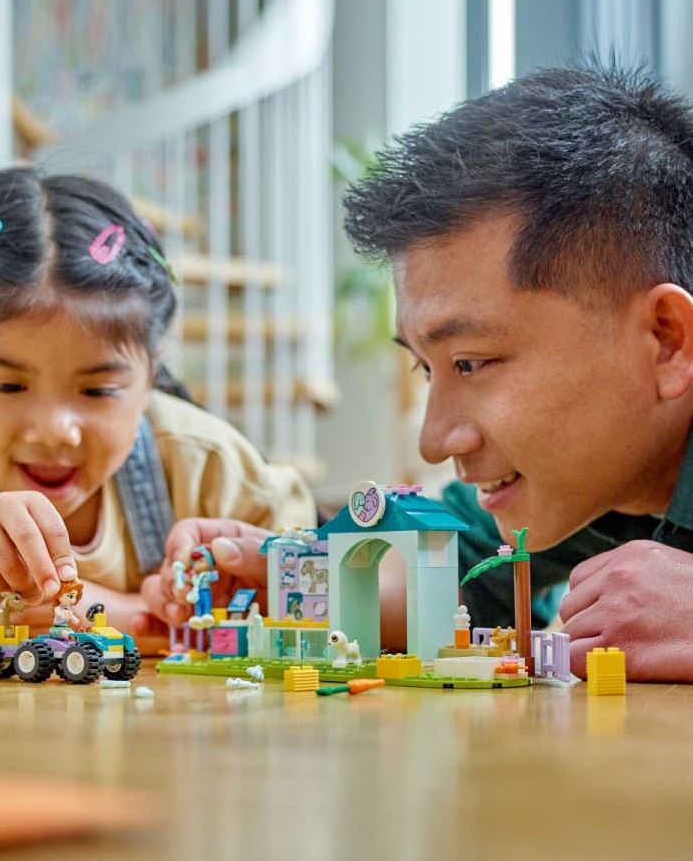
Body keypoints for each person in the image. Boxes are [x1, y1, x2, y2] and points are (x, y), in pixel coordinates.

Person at [145, 63, 693, 683]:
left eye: (471, 362)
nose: (433, 441)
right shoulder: (584, 473)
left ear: (666, 340)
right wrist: (308, 592)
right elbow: (453, 571)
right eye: (424, 367)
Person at [0, 166, 315, 665]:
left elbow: (314, 579)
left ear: (149, 374)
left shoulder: (206, 463)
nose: (54, 430)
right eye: (6, 384)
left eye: (98, 389)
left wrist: (256, 583)